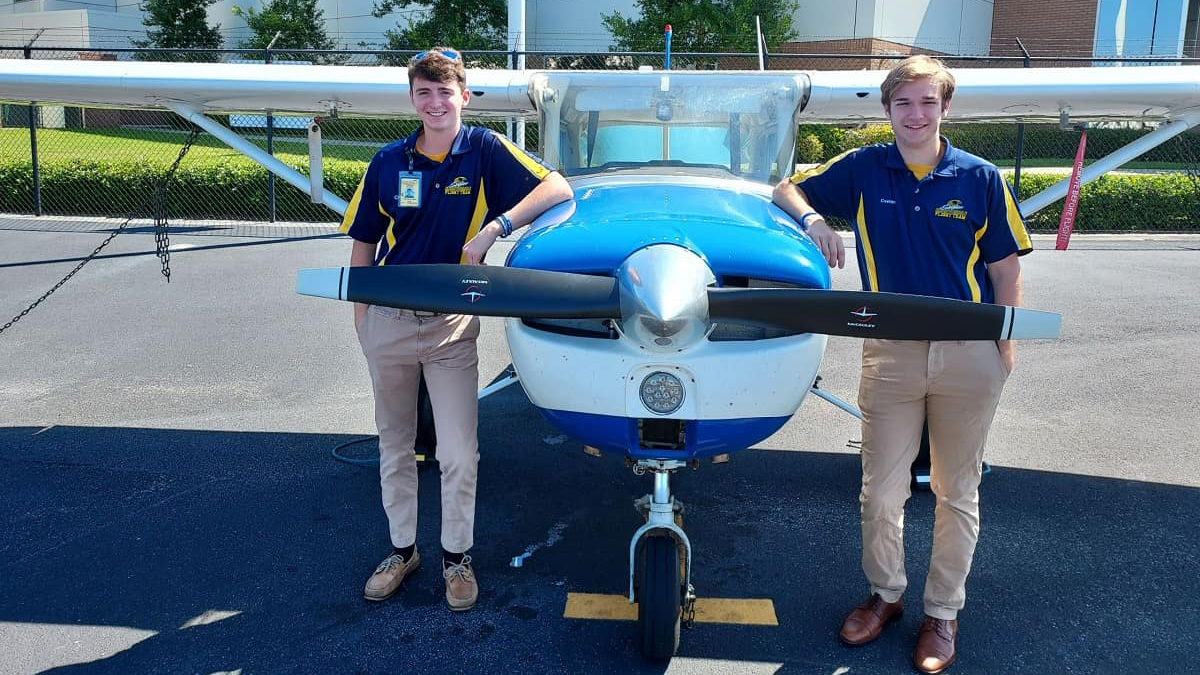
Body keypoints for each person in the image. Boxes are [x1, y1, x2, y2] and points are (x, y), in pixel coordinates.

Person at [772, 55, 1031, 673]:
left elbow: (1005, 269)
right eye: (902, 104)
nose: (915, 115)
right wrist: (812, 219)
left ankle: (942, 613)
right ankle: (885, 596)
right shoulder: (865, 168)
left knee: (955, 489)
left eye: (927, 103)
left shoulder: (981, 177)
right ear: (887, 110)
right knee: (880, 491)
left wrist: (1004, 344)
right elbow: (786, 187)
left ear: (945, 107)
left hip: (968, 351)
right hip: (888, 351)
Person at [340, 46, 572, 611]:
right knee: (394, 444)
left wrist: (496, 227)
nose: (436, 102)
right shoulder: (388, 161)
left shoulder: (485, 150)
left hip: (450, 328)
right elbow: (364, 241)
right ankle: (402, 552)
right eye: (424, 92)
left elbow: (557, 187)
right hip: (388, 320)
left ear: (464, 97)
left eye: (446, 92)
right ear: (413, 99)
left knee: (459, 451)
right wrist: (362, 318)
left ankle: (456, 558)